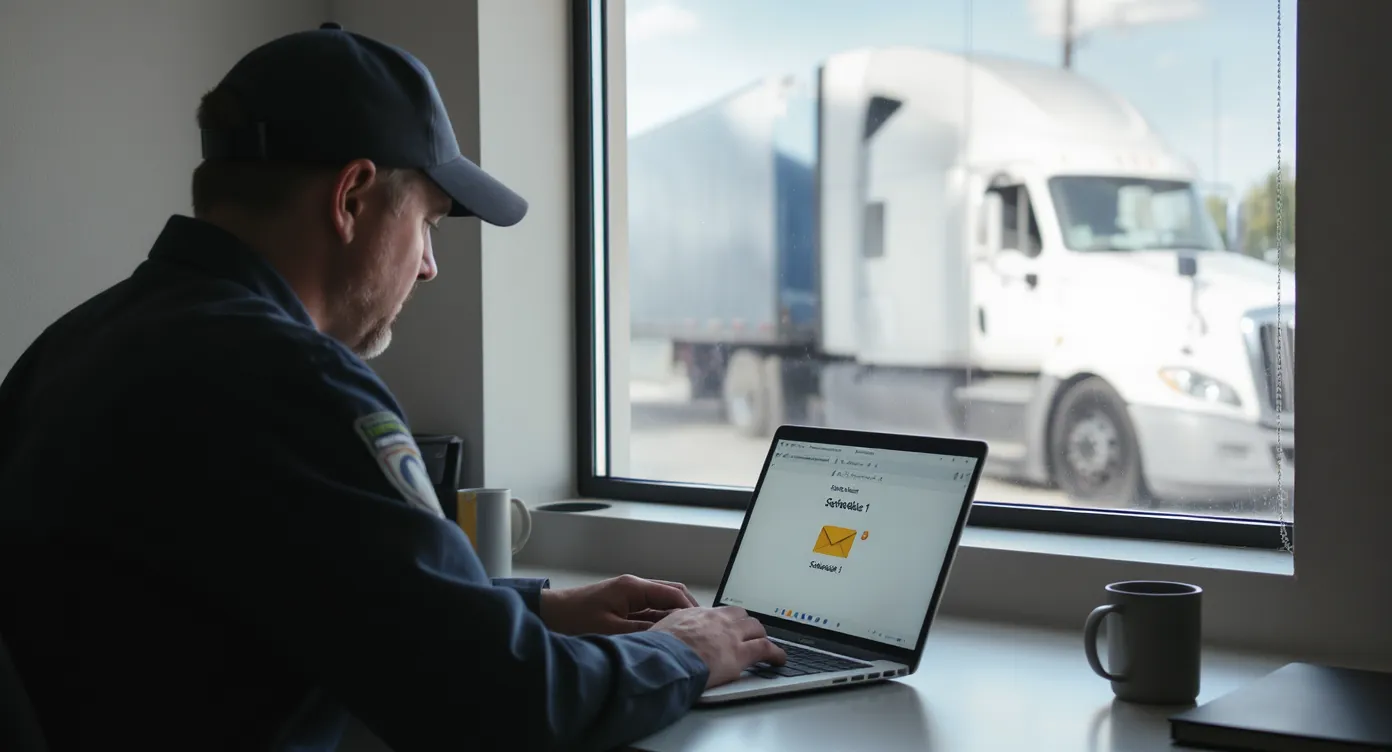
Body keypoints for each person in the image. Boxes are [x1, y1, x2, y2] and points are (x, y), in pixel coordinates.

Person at [0, 23, 785, 752]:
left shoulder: (72, 347)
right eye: (430, 224)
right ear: (351, 199)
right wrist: (679, 652)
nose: (428, 265)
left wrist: (541, 608)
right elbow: (504, 703)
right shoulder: (293, 382)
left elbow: (315, 594)